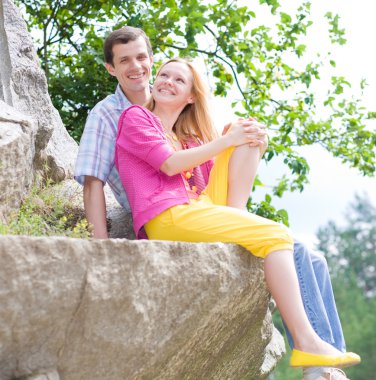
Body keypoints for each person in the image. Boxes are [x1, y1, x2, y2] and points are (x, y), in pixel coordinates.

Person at [74, 27, 354, 380]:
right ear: (111, 68)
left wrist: (244, 139)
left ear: (190, 95)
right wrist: (101, 249)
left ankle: (237, 222)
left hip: (193, 206)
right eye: (125, 60)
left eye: (144, 59)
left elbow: (204, 170)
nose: (142, 70)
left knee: (308, 251)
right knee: (280, 238)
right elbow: (97, 180)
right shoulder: (123, 116)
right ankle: (312, 353)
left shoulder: (186, 137)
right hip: (164, 210)